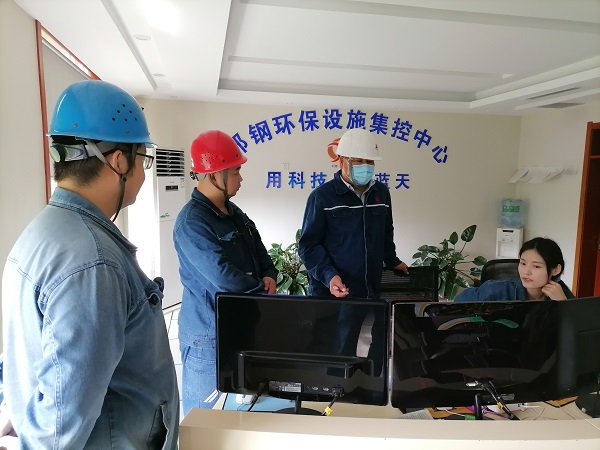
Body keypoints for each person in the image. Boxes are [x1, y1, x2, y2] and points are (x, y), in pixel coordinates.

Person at [1, 80, 179, 448]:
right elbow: (60, 424)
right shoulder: (92, 263)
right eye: (143, 159)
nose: (143, 172)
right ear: (119, 162)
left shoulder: (43, 232)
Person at [173, 130, 278, 414]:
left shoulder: (235, 213)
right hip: (209, 338)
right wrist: (261, 289)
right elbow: (223, 278)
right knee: (205, 418)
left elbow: (260, 251)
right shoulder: (192, 223)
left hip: (242, 326)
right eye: (235, 172)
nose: (240, 179)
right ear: (213, 175)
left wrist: (270, 274)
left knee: (240, 410)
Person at [298, 127, 408, 373]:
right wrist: (329, 276)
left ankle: (368, 389)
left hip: (370, 290)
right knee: (337, 356)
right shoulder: (322, 197)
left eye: (369, 161)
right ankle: (335, 392)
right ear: (341, 161)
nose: (365, 167)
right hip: (336, 294)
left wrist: (392, 260)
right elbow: (308, 245)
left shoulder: (381, 193)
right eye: (358, 161)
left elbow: (386, 232)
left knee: (374, 353)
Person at [454, 237, 575, 302]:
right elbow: (457, 305)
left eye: (536, 266)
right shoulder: (496, 289)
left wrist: (563, 304)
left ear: (555, 270)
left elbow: (579, 332)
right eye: (523, 263)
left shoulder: (561, 294)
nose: (526, 271)